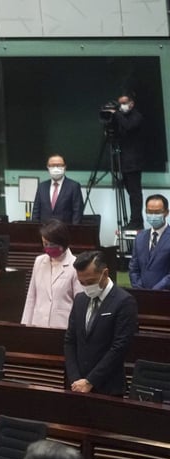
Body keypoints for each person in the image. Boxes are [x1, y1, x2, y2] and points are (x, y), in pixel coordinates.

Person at [65, 250, 138, 396]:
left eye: (90, 282)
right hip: (77, 386)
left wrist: (90, 381)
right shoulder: (80, 299)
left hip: (108, 386)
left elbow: (119, 347)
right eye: (81, 282)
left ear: (105, 273)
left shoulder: (124, 301)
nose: (86, 286)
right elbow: (70, 340)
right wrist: (75, 378)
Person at [21, 220, 83, 329]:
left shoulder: (75, 265)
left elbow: (80, 303)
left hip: (63, 327)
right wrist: (26, 325)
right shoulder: (39, 261)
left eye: (52, 244)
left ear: (63, 242)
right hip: (38, 325)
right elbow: (31, 296)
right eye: (45, 244)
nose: (48, 247)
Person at [114, 93, 144, 229]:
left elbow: (129, 126)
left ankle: (136, 221)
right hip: (122, 161)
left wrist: (116, 114)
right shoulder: (120, 117)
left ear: (132, 103)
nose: (121, 106)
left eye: (124, 103)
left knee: (134, 193)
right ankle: (134, 220)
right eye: (119, 104)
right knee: (130, 191)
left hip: (133, 162)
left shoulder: (136, 116)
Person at [128, 195, 170, 290]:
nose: (153, 215)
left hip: (165, 294)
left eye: (157, 212)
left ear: (166, 212)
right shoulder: (140, 237)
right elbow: (133, 269)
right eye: (149, 212)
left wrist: (155, 291)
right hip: (142, 293)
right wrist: (140, 289)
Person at [31, 154, 84, 225]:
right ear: (48, 167)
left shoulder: (74, 186)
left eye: (59, 165)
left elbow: (77, 212)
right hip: (44, 230)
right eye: (52, 165)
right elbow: (36, 212)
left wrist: (74, 230)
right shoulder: (42, 186)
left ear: (65, 167)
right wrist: (35, 229)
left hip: (65, 230)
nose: (55, 168)